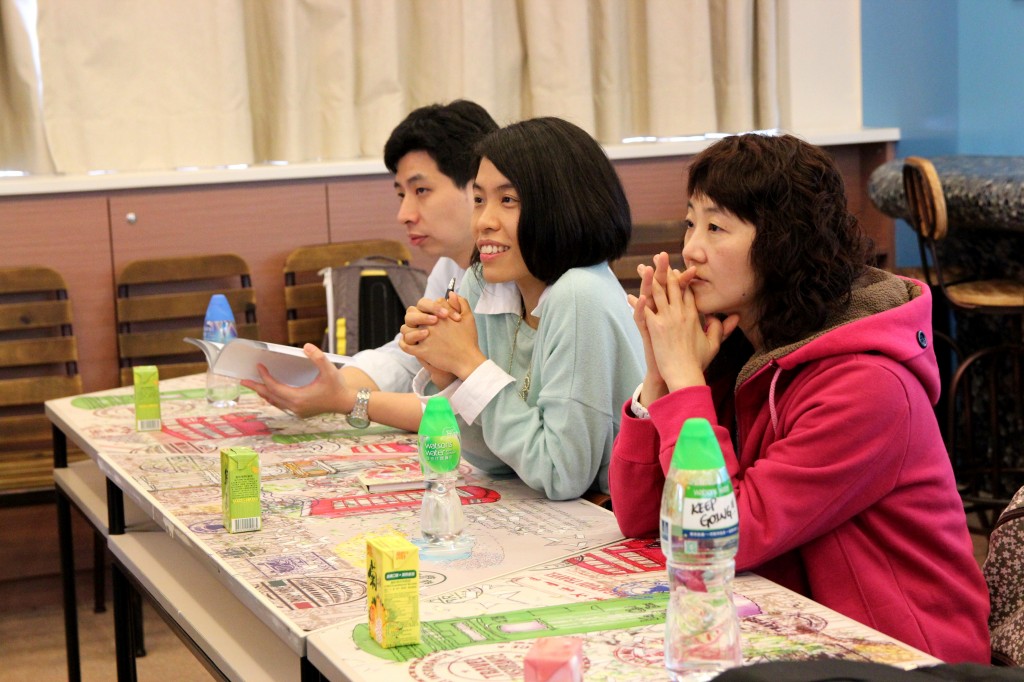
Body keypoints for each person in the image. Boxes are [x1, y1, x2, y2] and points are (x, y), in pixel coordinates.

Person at [608, 133, 990, 662]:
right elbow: (642, 519)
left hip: (905, 656)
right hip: (795, 630)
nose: (691, 248)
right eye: (690, 223)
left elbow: (719, 536)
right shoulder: (738, 349)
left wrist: (686, 381)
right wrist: (659, 376)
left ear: (783, 244)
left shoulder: (869, 386)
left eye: (716, 227)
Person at [243, 99, 498, 405]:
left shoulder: (520, 276)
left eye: (421, 191)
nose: (404, 214)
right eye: (401, 194)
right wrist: (327, 384)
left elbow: (471, 405)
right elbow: (409, 357)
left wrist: (345, 400)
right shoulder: (450, 266)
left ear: (479, 185)